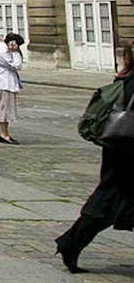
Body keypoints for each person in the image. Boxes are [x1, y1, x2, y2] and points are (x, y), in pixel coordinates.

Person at [56, 43, 134, 274]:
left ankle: (70, 243)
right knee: (107, 201)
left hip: (118, 147)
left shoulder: (123, 81)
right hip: (127, 151)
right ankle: (70, 243)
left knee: (111, 200)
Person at [0, 32, 26, 144]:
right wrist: (15, 52)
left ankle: (5, 133)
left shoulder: (4, 49)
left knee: (7, 109)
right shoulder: (2, 51)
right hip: (5, 84)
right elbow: (17, 65)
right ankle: (4, 134)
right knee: (4, 110)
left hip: (8, 83)